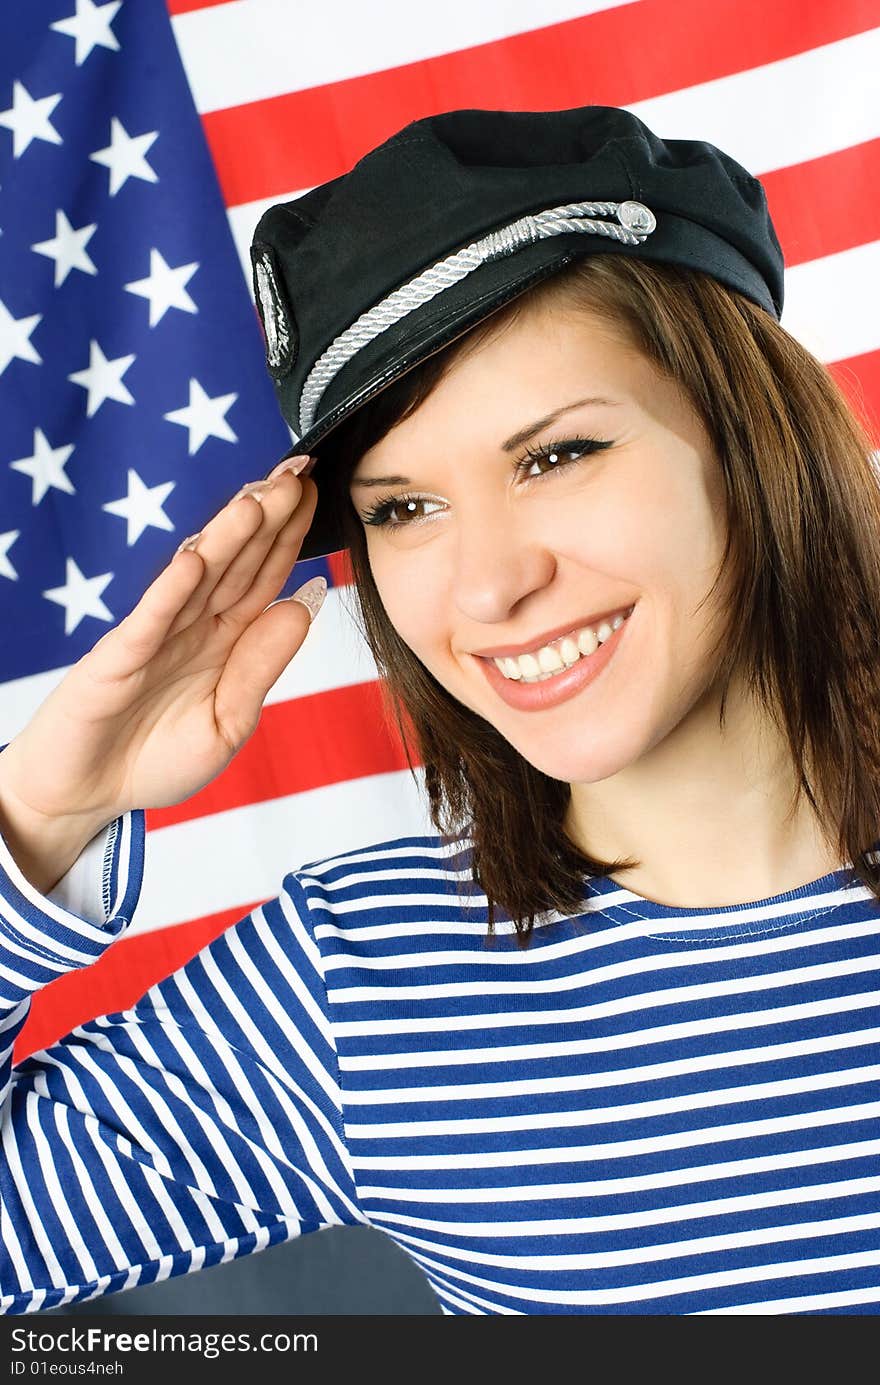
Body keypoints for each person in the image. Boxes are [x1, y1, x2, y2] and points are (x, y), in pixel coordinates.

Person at [0, 104, 879, 1317]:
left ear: (751, 436)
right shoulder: (360, 979)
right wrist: (43, 813)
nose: (488, 585)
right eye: (404, 507)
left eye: (556, 454)